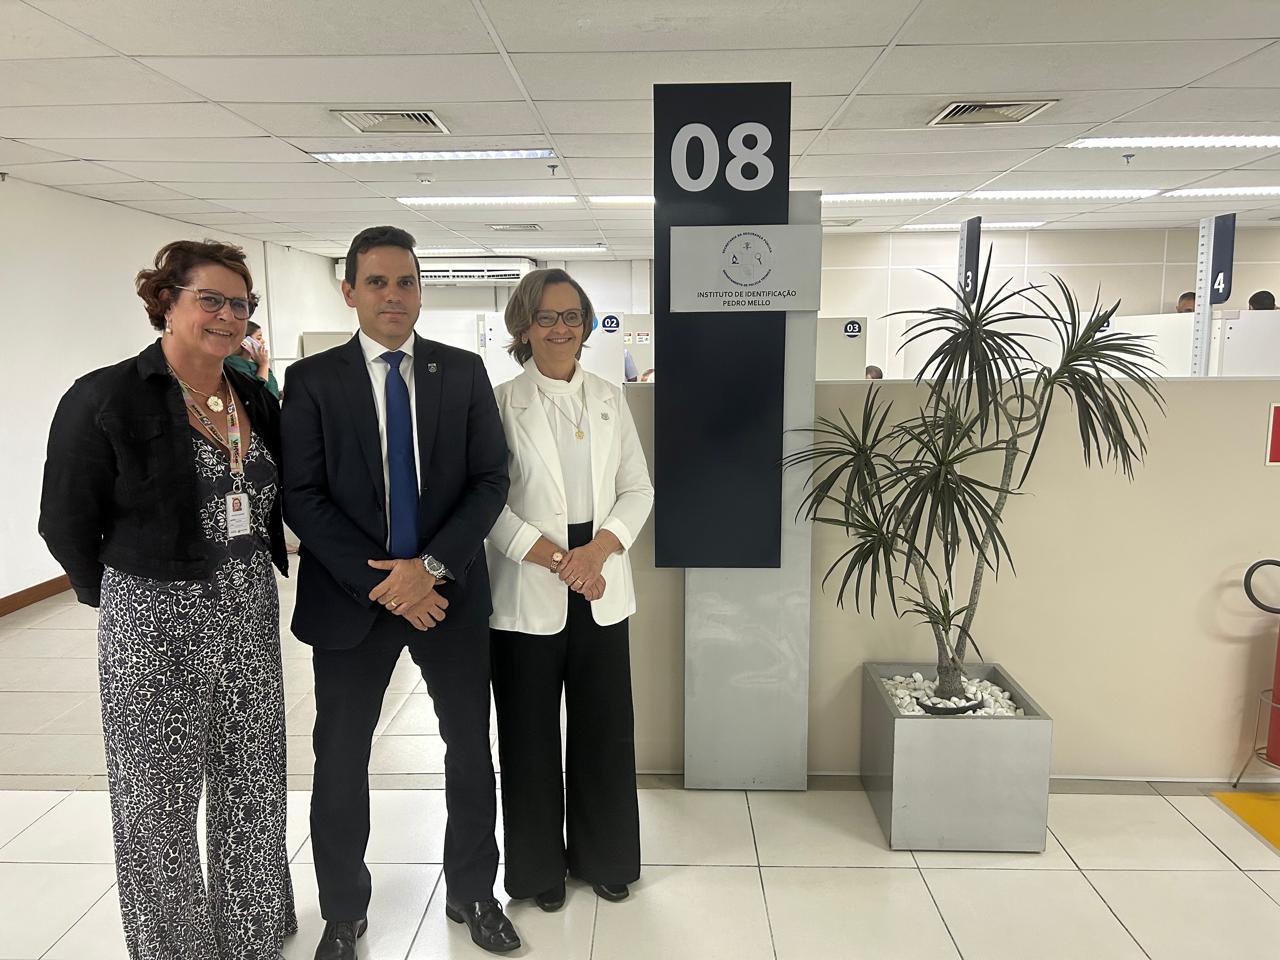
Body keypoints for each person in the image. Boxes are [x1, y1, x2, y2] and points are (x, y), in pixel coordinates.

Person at [39, 240, 295, 959]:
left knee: (253, 776)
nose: (228, 316)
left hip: (247, 611)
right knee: (158, 798)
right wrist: (120, 596)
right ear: (167, 302)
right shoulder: (107, 395)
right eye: (210, 300)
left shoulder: (251, 394)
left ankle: (250, 929)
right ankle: (176, 946)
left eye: (240, 304)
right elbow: (64, 520)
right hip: (153, 621)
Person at [281, 226, 517, 959]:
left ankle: (473, 892)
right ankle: (343, 912)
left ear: (421, 292)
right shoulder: (312, 381)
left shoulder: (462, 371)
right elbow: (302, 496)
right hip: (352, 600)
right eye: (377, 282)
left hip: (448, 596)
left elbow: (490, 481)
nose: (393, 295)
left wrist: (431, 568)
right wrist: (390, 584)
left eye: (406, 282)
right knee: (341, 756)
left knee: (469, 748)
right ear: (349, 291)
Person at [486, 268, 654, 913]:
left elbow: (637, 489)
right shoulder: (500, 403)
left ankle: (605, 858)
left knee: (605, 730)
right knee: (527, 736)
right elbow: (489, 505)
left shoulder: (610, 397)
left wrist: (597, 552)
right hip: (530, 579)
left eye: (572, 316)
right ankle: (537, 872)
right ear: (524, 326)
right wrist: (563, 561)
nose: (561, 328)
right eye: (547, 317)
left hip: (600, 578)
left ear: (586, 325)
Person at [225, 319, 280, 398]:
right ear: (245, 341)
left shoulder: (254, 363)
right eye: (259, 338)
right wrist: (263, 365)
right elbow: (257, 394)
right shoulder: (233, 364)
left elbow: (271, 391)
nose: (263, 341)